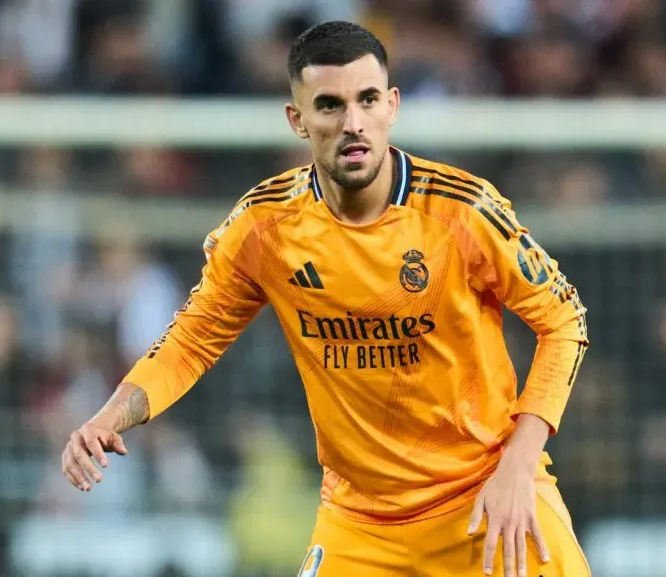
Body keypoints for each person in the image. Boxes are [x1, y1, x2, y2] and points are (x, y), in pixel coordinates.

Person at [61, 20, 591, 577]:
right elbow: (190, 340)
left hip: (487, 496)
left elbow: (564, 321)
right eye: (330, 106)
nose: (353, 123)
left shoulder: (462, 211)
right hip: (360, 523)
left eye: (367, 100)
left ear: (392, 105)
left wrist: (519, 462)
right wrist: (109, 417)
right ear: (298, 119)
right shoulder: (266, 228)